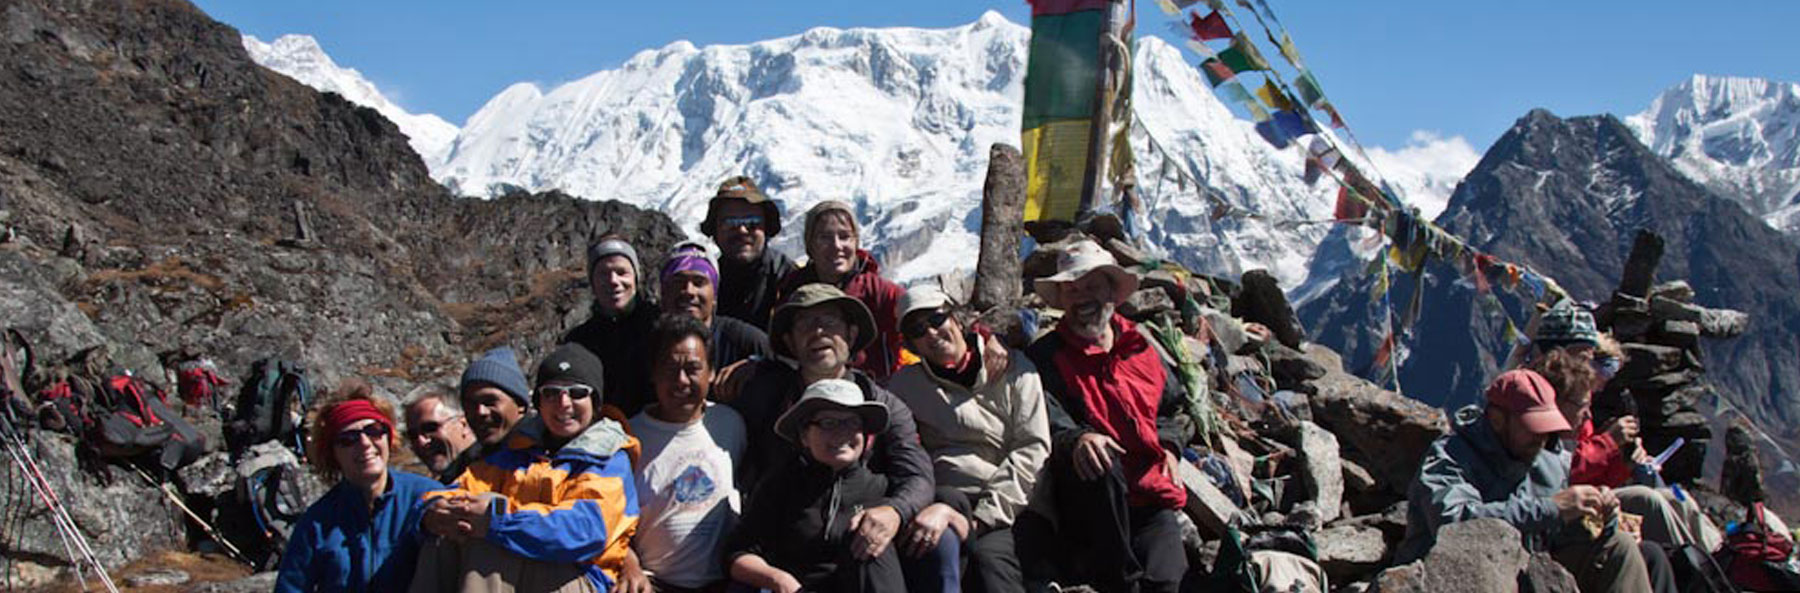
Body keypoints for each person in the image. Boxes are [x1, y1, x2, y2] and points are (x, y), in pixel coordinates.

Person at [725, 283, 939, 587]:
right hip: (787, 551)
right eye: (805, 324)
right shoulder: (765, 397)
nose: (819, 332)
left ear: (851, 335)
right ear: (789, 341)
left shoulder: (888, 406)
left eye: (830, 322)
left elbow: (917, 476)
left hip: (866, 548)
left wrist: (894, 511)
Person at [1019, 239, 1193, 593]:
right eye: (1072, 289)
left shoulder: (1140, 347)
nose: (1082, 297)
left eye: (1092, 286)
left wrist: (1171, 448)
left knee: (1166, 581)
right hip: (1088, 496)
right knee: (1101, 459)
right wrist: (1079, 438)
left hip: (1147, 490)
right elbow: (1044, 415)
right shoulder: (1047, 356)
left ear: (1112, 291)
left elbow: (1172, 408)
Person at [1399, 369, 1657, 593]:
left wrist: (1599, 516)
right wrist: (1551, 508)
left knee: (1620, 547)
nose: (1542, 438)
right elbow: (1452, 522)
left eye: (1547, 428)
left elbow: (1558, 537)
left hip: (1525, 569)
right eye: (1533, 427)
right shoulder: (1451, 456)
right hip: (1452, 577)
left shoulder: (1545, 458)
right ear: (1498, 420)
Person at [413, 344, 641, 593]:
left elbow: (584, 532)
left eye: (577, 393)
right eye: (551, 393)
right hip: (529, 567)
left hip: (580, 576)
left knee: (489, 526)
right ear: (539, 402)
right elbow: (464, 486)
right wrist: (433, 510)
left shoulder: (608, 460)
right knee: (446, 531)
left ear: (594, 402)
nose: (563, 403)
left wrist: (498, 520)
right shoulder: (516, 452)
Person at [887, 285, 1050, 593]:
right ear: (911, 344)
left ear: (956, 319)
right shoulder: (905, 386)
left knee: (989, 562)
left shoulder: (1016, 369)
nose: (932, 333)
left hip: (1013, 502)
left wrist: (984, 518)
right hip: (948, 498)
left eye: (936, 319)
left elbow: (1032, 448)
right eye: (917, 330)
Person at [1532, 339, 1724, 557]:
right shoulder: (1560, 409)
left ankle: (1716, 559)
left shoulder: (1581, 404)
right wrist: (1609, 442)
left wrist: (1626, 463)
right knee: (1649, 500)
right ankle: (1694, 565)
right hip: (1570, 502)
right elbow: (1567, 469)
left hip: (1593, 492)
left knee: (1678, 498)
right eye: (1585, 357)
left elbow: (1592, 473)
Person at [726, 378, 906, 592]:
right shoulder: (781, 484)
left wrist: (944, 512)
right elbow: (737, 553)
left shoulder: (882, 486)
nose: (842, 433)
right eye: (828, 423)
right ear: (804, 435)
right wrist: (779, 580)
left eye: (852, 422)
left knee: (870, 536)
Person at [616, 315, 748, 593]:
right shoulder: (629, 437)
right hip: (654, 584)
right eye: (669, 368)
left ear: (711, 372)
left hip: (726, 583)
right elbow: (611, 521)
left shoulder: (730, 424)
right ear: (653, 373)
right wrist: (630, 566)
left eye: (693, 368)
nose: (681, 380)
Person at [277, 380, 443, 593]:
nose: (364, 443)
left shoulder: (425, 495)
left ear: (388, 436)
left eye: (374, 430)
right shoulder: (317, 523)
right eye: (348, 439)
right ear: (333, 454)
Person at [774, 201, 904, 381]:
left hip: (874, 392)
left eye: (844, 236)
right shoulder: (791, 291)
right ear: (810, 246)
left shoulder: (882, 293)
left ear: (856, 242)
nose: (836, 246)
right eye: (824, 237)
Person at [564, 235, 660, 416]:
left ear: (636, 278)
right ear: (592, 282)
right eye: (603, 273)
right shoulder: (578, 342)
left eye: (621, 272)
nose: (613, 281)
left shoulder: (661, 327)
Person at [658, 241, 772, 371]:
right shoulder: (644, 343)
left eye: (699, 282)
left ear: (714, 295)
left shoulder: (745, 342)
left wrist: (760, 369)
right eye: (678, 282)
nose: (689, 291)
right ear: (663, 292)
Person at [700, 176, 794, 331]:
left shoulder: (789, 278)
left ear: (765, 228)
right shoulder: (703, 282)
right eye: (730, 223)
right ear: (715, 232)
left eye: (752, 222)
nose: (742, 231)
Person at [456, 346, 531, 468]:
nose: (480, 412)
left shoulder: (545, 460)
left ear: (520, 404)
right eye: (470, 404)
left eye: (490, 401)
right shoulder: (465, 467)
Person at [403, 386, 478, 484]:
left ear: (464, 424)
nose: (421, 441)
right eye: (412, 435)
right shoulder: (435, 490)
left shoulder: (496, 472)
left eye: (430, 428)